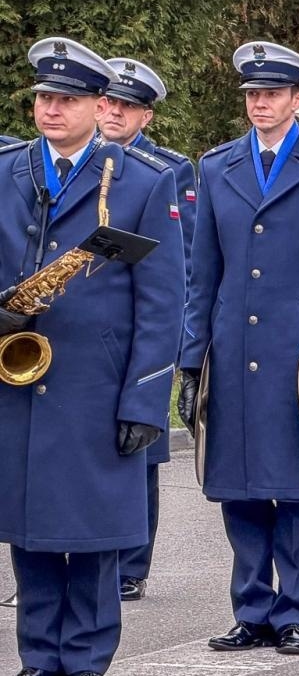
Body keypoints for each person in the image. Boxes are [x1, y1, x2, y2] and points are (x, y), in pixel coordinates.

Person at [0, 38, 183, 676]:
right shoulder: (7, 170)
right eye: (44, 98)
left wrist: (144, 400)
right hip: (16, 381)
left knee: (95, 533)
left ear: (97, 106)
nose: (50, 110)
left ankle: (86, 661)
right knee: (30, 527)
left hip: (96, 386)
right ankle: (38, 658)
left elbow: (163, 301)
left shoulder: (139, 179)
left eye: (66, 100)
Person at [179, 41, 299, 657]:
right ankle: (250, 610)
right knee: (237, 489)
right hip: (233, 353)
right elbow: (201, 274)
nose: (260, 103)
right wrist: (190, 361)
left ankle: (293, 613)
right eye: (252, 95)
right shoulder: (217, 167)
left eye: (272, 94)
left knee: (292, 493)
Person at [99, 58, 196, 603]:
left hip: (144, 318)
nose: (114, 113)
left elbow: (179, 261)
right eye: (108, 103)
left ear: (146, 116)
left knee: (142, 450)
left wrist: (176, 341)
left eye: (126, 106)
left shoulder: (168, 169)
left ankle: (133, 562)